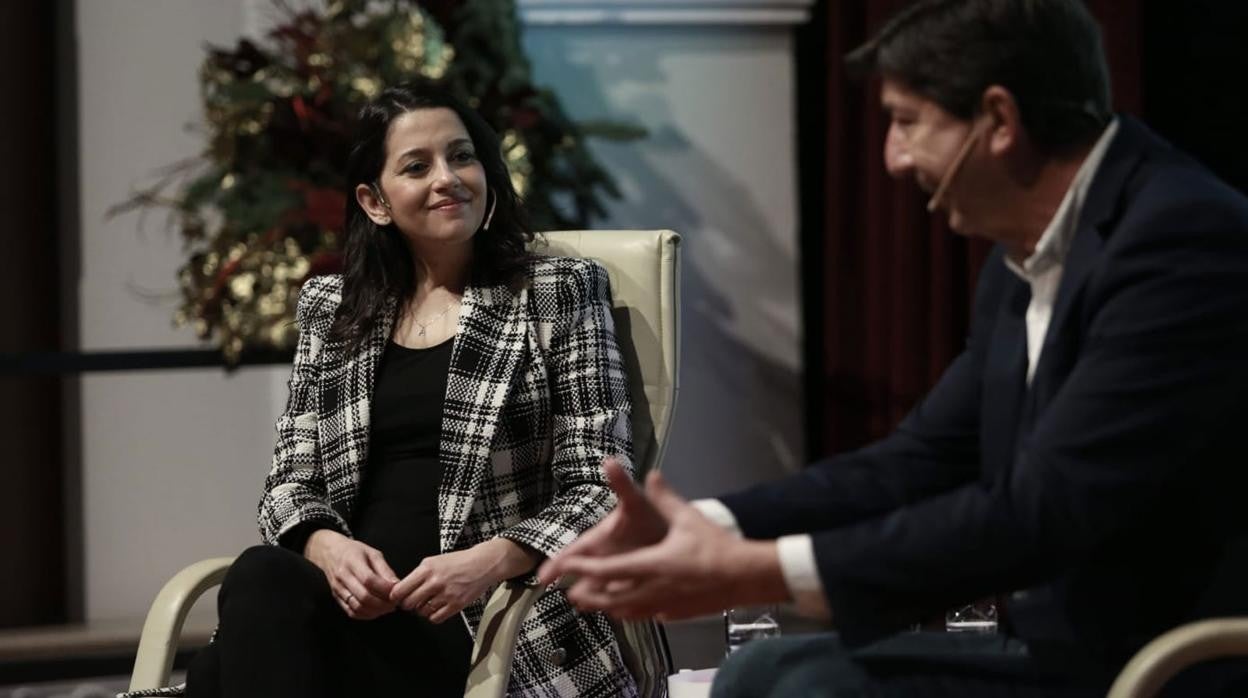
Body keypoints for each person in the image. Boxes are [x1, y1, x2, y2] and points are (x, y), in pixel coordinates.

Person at [540, 1, 1248, 696]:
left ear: (998, 120)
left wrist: (757, 571)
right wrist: (711, 524)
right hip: (1070, 652)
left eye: (908, 122)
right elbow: (924, 458)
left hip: (1178, 663)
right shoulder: (1027, 251)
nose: (893, 157)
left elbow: (1047, 509)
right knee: (760, 672)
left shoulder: (1181, 239)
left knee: (811, 687)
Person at [164, 79, 646, 697]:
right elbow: (289, 483)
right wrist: (325, 545)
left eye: (462, 155)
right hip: (353, 613)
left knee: (232, 663)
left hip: (490, 624)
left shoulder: (557, 292)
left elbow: (603, 489)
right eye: (417, 166)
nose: (448, 178)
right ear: (374, 201)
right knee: (265, 576)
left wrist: (490, 561)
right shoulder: (334, 308)